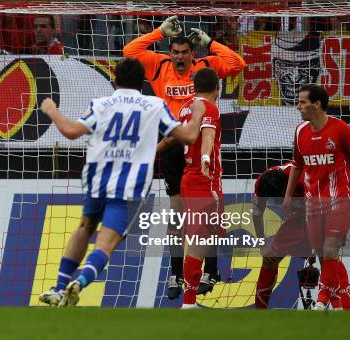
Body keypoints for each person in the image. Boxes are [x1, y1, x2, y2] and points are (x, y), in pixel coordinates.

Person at [37, 58, 204, 306]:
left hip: (97, 180)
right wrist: (198, 114)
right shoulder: (154, 105)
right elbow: (189, 136)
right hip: (129, 187)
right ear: (143, 83)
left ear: (114, 80)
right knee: (106, 243)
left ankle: (59, 287)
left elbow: (71, 131)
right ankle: (79, 283)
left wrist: (51, 109)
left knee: (85, 227)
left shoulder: (102, 104)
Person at [123, 16, 246, 299]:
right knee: (177, 214)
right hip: (172, 144)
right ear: (170, 54)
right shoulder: (159, 65)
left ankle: (210, 270)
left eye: (184, 53)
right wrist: (158, 32)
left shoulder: (205, 68)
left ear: (193, 54)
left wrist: (209, 42)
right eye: (175, 52)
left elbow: (238, 64)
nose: (179, 58)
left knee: (210, 212)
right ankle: (177, 273)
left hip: (202, 144)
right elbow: (129, 53)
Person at [284, 84, 350, 310]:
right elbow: (297, 165)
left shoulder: (341, 129)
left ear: (317, 104)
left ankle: (321, 302)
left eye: (303, 102)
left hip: (340, 200)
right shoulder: (299, 131)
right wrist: (287, 196)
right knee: (324, 256)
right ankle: (341, 305)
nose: (298, 106)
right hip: (313, 203)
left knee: (331, 247)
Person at [173, 68, 223, 309]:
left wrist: (156, 149)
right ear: (217, 87)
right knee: (201, 240)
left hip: (188, 178)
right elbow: (208, 138)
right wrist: (205, 158)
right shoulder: (210, 108)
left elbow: (175, 136)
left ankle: (191, 296)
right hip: (205, 180)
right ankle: (190, 300)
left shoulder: (185, 107)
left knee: (203, 237)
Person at [252, 162, 311, 309]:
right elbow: (257, 215)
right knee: (269, 259)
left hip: (319, 214)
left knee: (328, 256)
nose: (278, 203)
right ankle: (259, 313)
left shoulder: (302, 178)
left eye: (279, 197)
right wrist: (262, 245)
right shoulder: (261, 185)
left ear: (287, 185)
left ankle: (339, 305)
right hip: (297, 220)